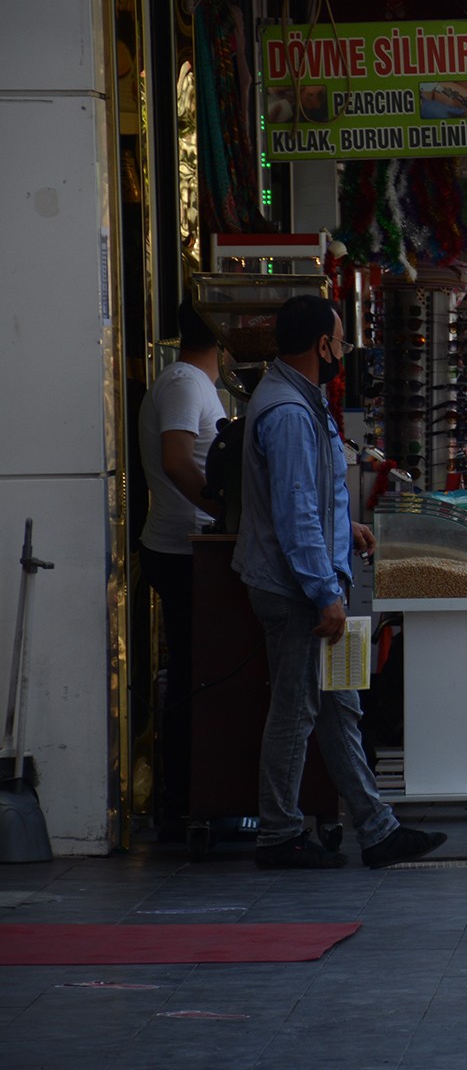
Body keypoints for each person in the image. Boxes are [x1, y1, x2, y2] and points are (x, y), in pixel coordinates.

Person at [235, 295, 446, 871]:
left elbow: (308, 500)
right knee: (297, 711)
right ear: (319, 346)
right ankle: (278, 833)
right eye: (339, 339)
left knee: (339, 707)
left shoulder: (301, 401)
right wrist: (324, 591)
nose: (345, 350)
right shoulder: (287, 410)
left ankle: (378, 830)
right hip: (299, 590)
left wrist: (343, 527)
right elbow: (295, 510)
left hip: (313, 579)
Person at [138, 297, 225, 824]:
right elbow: (176, 459)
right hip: (181, 551)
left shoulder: (197, 383)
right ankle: (181, 801)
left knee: (202, 671)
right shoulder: (184, 384)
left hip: (193, 549)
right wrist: (218, 509)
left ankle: (194, 794)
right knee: (196, 674)